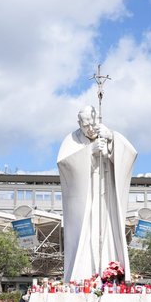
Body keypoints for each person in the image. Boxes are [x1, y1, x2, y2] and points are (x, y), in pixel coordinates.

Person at [57, 105, 137, 283]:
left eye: (92, 124)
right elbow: (64, 164)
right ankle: (82, 276)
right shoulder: (72, 140)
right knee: (86, 232)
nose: (90, 129)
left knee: (107, 229)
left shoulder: (108, 133)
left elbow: (130, 154)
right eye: (85, 126)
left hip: (106, 196)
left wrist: (111, 140)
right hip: (85, 199)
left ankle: (110, 273)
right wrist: (90, 152)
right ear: (79, 123)